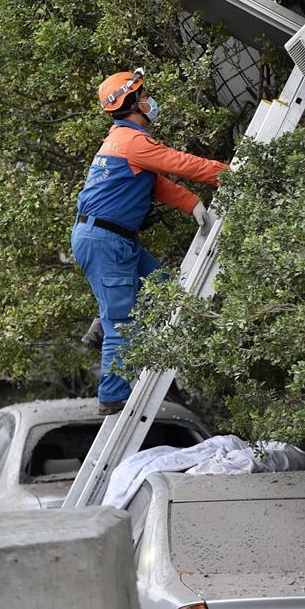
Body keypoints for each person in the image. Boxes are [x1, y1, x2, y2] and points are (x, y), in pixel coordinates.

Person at [72, 68, 228, 415]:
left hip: (109, 238)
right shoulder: (133, 141)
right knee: (124, 323)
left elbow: (153, 183)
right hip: (106, 240)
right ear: (131, 103)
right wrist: (230, 174)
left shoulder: (121, 140)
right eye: (143, 95)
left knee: (163, 291)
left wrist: (190, 202)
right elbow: (180, 163)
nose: (149, 101)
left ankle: (102, 324)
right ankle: (112, 397)